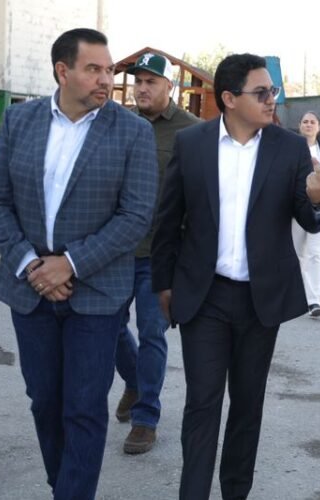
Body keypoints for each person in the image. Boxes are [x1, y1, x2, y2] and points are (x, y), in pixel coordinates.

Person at [0, 29, 157, 499]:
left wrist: (71, 264)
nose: (106, 79)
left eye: (109, 69)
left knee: (84, 407)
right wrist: (32, 265)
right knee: (44, 401)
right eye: (93, 69)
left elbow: (136, 216)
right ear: (63, 71)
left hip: (96, 294)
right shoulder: (19, 120)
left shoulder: (133, 131)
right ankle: (64, 486)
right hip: (29, 290)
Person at [150, 53, 320, 500]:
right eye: (262, 92)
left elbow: (308, 219)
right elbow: (168, 219)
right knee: (202, 404)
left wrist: (319, 200)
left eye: (273, 91)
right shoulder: (193, 143)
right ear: (230, 99)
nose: (272, 100)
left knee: (248, 406)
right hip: (205, 297)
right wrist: (163, 284)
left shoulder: (288, 148)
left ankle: (236, 492)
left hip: (259, 301)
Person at [111, 51, 201, 455]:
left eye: (151, 81)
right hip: (115, 251)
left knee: (152, 332)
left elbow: (199, 197)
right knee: (108, 327)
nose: (142, 88)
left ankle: (145, 418)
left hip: (160, 255)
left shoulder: (192, 131)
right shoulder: (117, 123)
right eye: (138, 81)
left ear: (170, 86)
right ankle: (134, 379)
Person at [293, 110, 320, 319]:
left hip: (319, 207)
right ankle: (297, 295)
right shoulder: (292, 148)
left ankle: (314, 301)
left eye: (312, 122)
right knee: (297, 253)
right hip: (296, 207)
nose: (308, 125)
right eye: (305, 122)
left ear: (319, 126)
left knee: (315, 253)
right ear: (300, 126)